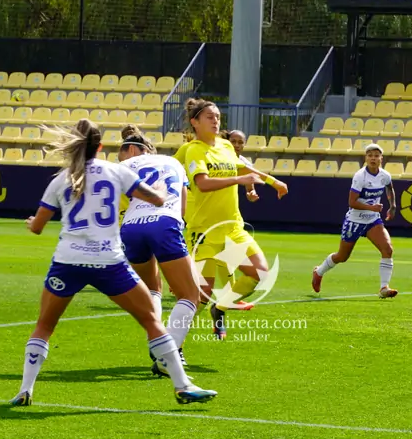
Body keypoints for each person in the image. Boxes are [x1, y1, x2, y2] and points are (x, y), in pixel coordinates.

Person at [10, 119, 217, 406]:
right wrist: (155, 189)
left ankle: (25, 390)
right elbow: (158, 199)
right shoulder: (115, 171)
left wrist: (32, 222)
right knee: (151, 320)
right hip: (108, 261)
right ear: (101, 146)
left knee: (44, 326)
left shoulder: (61, 179)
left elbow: (37, 227)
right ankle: (182, 386)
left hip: (68, 260)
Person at [174, 99, 288, 340]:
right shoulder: (193, 149)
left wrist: (273, 182)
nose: (216, 120)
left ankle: (221, 308)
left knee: (260, 273)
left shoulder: (225, 146)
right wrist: (238, 181)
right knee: (200, 297)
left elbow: (244, 169)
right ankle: (171, 345)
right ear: (195, 122)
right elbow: (203, 184)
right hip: (204, 232)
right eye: (209, 117)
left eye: (217, 116)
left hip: (231, 230)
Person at [117, 125, 201, 376]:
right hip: (165, 224)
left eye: (121, 153)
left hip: (130, 227)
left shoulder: (123, 167)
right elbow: (182, 208)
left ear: (132, 149)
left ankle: (156, 342)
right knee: (190, 295)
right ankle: (168, 354)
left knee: (152, 289)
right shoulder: (173, 162)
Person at [311, 144, 399, 298]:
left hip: (373, 221)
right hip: (355, 221)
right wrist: (372, 208)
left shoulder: (384, 175)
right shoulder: (360, 177)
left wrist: (393, 206)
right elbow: (352, 202)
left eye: (376, 155)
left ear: (381, 159)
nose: (373, 158)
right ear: (365, 158)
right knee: (342, 257)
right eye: (370, 155)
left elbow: (389, 188)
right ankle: (318, 272)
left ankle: (384, 288)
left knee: (388, 249)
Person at [224, 129, 259, 202]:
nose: (236, 145)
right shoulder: (216, 159)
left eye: (240, 142)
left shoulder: (246, 164)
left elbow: (250, 189)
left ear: (244, 144)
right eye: (233, 141)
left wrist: (251, 194)